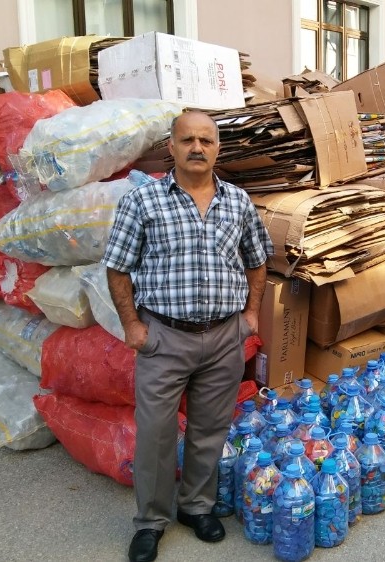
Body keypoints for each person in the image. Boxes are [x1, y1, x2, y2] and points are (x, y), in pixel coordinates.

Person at [102, 108, 273, 562]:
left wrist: (252, 314)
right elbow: (117, 267)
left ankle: (196, 507)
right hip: (164, 337)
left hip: (223, 338)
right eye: (187, 140)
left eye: (207, 141)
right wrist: (131, 326)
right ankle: (150, 522)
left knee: (209, 429)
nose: (197, 148)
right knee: (156, 433)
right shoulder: (143, 202)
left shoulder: (237, 201)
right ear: (171, 147)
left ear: (218, 148)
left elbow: (258, 259)